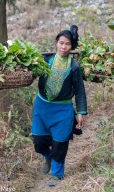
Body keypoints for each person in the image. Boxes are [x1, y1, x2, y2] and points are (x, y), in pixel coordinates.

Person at [32, 25, 87, 187]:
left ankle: (56, 174)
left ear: (72, 47)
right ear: (56, 43)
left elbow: (80, 91)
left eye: (67, 44)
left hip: (62, 110)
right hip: (42, 106)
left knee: (60, 143)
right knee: (38, 141)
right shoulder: (45, 60)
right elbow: (31, 72)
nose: (63, 47)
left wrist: (81, 112)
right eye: (61, 43)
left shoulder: (74, 67)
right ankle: (47, 156)